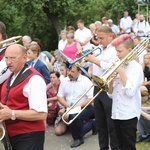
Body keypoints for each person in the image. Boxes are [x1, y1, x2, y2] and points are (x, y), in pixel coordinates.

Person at [0, 44, 47, 150]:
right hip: (14, 136)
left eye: (13, 58)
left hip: (29, 136)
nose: (8, 62)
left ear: (24, 57)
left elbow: (41, 114)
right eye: (6, 58)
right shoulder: (11, 76)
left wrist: (11, 113)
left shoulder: (34, 79)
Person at [85, 26, 119, 150]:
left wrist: (96, 61)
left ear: (110, 36)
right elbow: (88, 63)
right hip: (97, 87)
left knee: (111, 125)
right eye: (97, 38)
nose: (99, 41)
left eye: (102, 38)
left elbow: (112, 67)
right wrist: (85, 58)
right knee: (100, 124)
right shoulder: (99, 49)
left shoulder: (115, 50)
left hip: (109, 89)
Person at [108, 34, 143, 150]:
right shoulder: (119, 65)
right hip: (116, 112)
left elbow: (130, 92)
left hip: (128, 114)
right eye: (116, 51)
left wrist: (121, 72)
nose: (117, 54)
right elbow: (110, 94)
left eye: (119, 51)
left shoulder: (136, 68)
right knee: (118, 146)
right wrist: (111, 81)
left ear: (129, 50)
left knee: (128, 147)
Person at [57, 64, 96, 148]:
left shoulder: (86, 81)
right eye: (69, 71)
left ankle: (78, 138)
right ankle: (92, 124)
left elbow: (90, 98)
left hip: (85, 107)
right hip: (68, 107)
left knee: (74, 117)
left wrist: (77, 107)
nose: (70, 73)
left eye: (72, 71)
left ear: (79, 72)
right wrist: (67, 106)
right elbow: (59, 96)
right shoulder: (64, 81)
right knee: (58, 131)